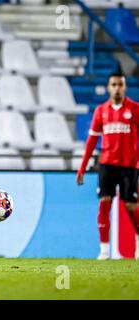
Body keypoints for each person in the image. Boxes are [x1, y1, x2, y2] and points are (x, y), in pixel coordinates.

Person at [77, 72, 139, 260]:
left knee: (130, 205)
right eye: (114, 84)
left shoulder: (135, 109)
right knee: (104, 203)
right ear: (108, 88)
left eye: (120, 84)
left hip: (129, 165)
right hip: (107, 165)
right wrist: (82, 168)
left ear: (125, 87)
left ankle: (138, 238)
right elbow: (91, 141)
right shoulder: (101, 111)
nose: (117, 88)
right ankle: (104, 250)